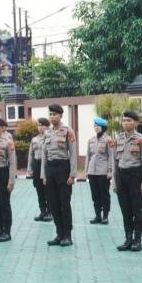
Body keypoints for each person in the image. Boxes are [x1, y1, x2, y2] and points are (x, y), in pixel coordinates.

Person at [112, 110, 142, 252]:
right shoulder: (118, 139)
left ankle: (137, 240)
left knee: (136, 210)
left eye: (129, 120)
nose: (126, 123)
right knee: (125, 210)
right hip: (121, 176)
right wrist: (114, 182)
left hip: (135, 176)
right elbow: (114, 162)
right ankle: (128, 239)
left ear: (136, 123)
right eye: (124, 120)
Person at [41, 104, 77, 247]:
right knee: (53, 204)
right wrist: (44, 175)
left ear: (60, 116)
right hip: (50, 169)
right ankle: (59, 233)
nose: (52, 117)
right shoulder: (47, 133)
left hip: (63, 168)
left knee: (64, 203)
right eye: (50, 114)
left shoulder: (68, 131)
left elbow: (73, 153)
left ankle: (67, 235)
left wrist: (72, 174)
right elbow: (44, 154)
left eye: (54, 114)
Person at [85, 117, 114, 224]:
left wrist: (110, 170)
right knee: (95, 195)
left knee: (104, 194)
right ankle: (98, 215)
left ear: (103, 127)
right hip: (92, 172)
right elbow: (88, 156)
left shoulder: (109, 140)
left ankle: (105, 216)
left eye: (98, 126)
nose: (96, 128)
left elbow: (111, 156)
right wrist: (86, 170)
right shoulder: (91, 140)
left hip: (103, 172)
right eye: (95, 126)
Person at [27, 118, 52, 222]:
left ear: (47, 127)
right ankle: (42, 211)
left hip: (46, 165)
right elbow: (31, 154)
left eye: (42, 125)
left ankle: (50, 212)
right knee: (39, 190)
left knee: (48, 190)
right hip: (37, 165)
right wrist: (30, 168)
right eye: (39, 125)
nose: (40, 127)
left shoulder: (50, 137)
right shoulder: (34, 139)